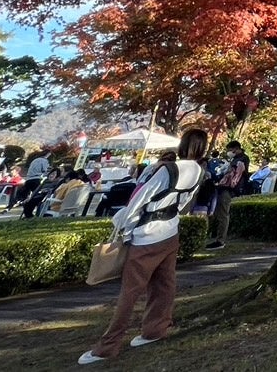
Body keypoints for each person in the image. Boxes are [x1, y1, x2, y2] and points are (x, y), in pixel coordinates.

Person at [79, 129, 207, 365]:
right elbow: (184, 204)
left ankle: (108, 346)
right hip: (170, 231)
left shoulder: (167, 169)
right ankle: (155, 329)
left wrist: (125, 228)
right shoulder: (199, 171)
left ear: (184, 144)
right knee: (164, 285)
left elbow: (138, 200)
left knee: (130, 292)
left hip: (147, 235)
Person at [206, 139, 249, 249]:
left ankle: (220, 240)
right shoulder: (236, 159)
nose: (228, 152)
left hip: (228, 188)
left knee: (223, 214)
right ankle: (218, 237)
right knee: (219, 212)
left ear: (235, 149)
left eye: (230, 150)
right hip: (226, 188)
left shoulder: (241, 160)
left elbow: (235, 175)